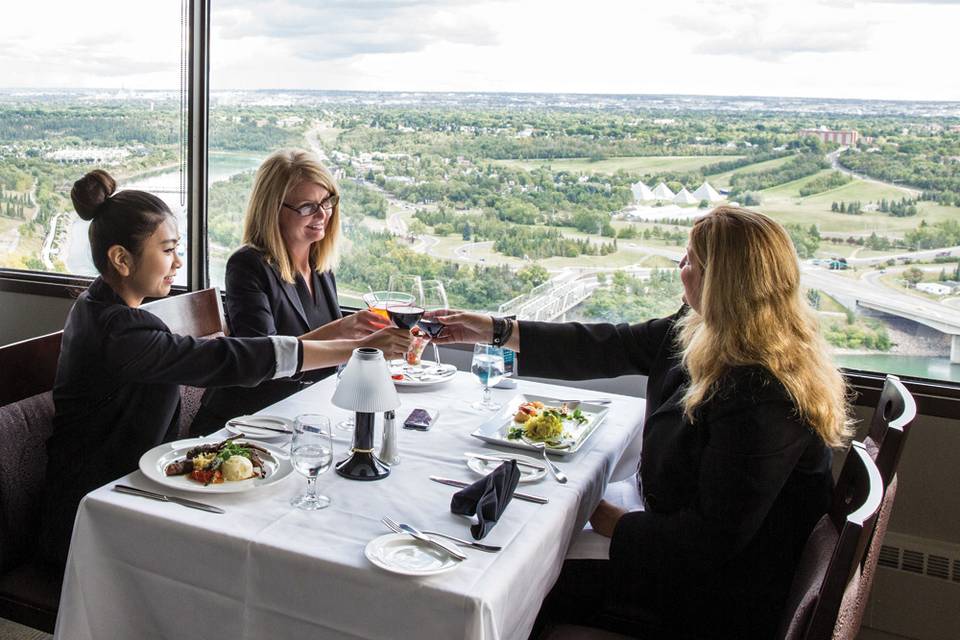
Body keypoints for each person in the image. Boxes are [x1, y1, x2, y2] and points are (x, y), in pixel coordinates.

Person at [428, 206, 851, 639]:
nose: (680, 268)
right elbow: (608, 346)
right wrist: (495, 330)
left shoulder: (761, 392)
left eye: (689, 260)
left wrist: (602, 516)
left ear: (720, 282)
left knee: (516, 573)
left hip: (711, 595)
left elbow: (708, 542)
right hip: (675, 535)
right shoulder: (710, 331)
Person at [39, 169, 411, 568]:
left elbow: (228, 355)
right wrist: (356, 347)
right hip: (93, 516)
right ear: (121, 259)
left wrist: (343, 342)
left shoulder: (104, 310)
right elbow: (223, 359)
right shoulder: (119, 331)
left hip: (132, 490)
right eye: (167, 251)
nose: (178, 262)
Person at [190, 149, 385, 436]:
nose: (322, 214)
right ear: (272, 209)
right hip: (247, 424)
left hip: (304, 414)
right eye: (307, 206)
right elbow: (261, 363)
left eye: (327, 201)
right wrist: (343, 329)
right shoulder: (247, 265)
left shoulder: (320, 264)